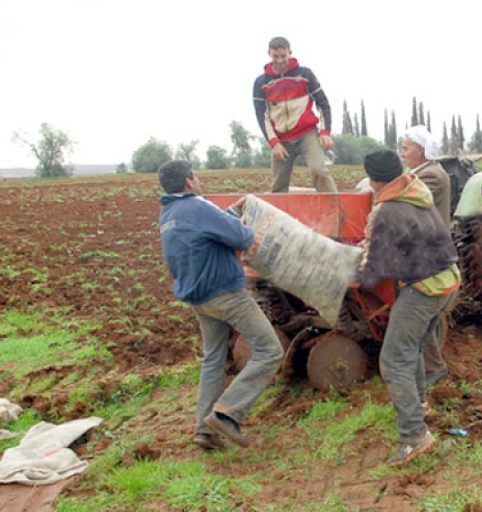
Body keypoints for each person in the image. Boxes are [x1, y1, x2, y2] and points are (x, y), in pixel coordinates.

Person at [157, 160, 284, 450]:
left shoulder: (169, 213)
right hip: (226, 294)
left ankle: (204, 429)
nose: (198, 180)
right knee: (270, 350)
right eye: (196, 176)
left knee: (213, 358)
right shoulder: (199, 206)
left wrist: (229, 212)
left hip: (198, 298)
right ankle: (228, 414)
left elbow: (206, 233)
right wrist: (239, 220)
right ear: (189, 182)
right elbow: (242, 237)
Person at [357, 149, 461, 466]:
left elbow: (376, 269)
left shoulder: (388, 210)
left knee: (392, 360)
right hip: (447, 279)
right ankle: (419, 403)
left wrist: (352, 273)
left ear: (373, 179)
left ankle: (414, 435)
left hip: (424, 287)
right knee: (412, 346)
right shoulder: (416, 191)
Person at [400, 125, 452, 386]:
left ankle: (428, 370)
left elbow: (406, 202)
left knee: (421, 314)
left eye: (406, 148)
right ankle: (431, 368)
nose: (402, 153)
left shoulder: (432, 176)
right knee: (423, 317)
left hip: (430, 255)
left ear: (420, 150)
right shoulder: (419, 173)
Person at [252, 36, 338, 194]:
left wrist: (325, 132)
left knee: (318, 171)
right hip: (281, 139)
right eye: (275, 56)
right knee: (278, 185)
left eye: (283, 56)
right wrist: (274, 143)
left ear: (290, 53)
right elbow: (261, 116)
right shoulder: (261, 83)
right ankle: (277, 216)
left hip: (306, 133)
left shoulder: (304, 74)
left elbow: (323, 103)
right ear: (269, 54)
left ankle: (337, 211)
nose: (279, 60)